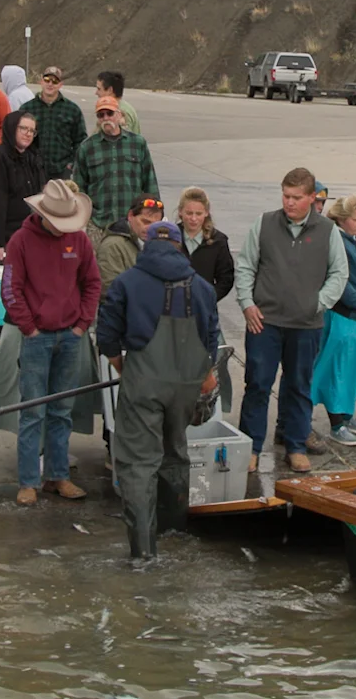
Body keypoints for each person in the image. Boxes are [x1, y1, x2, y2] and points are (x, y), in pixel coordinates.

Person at [95, 220, 219, 563]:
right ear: (180, 246)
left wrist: (123, 367)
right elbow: (212, 337)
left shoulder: (127, 282)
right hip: (186, 388)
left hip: (143, 384)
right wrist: (206, 374)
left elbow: (107, 334)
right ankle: (175, 533)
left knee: (138, 463)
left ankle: (144, 551)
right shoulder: (202, 287)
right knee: (175, 452)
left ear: (146, 245)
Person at [235, 168, 347, 473]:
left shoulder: (328, 231)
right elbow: (245, 266)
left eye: (297, 197)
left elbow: (339, 273)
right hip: (265, 323)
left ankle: (295, 445)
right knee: (257, 384)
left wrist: (318, 304)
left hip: (306, 325)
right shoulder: (264, 224)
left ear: (312, 198)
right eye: (285, 195)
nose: (289, 202)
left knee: (299, 386)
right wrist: (247, 304)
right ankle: (252, 446)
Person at [1, 179, 102, 506]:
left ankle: (57, 476)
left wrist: (82, 324)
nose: (64, 230)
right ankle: (28, 480)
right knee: (32, 410)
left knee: (62, 411)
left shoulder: (80, 241)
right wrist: (29, 327)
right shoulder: (20, 242)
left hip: (70, 335)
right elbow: (10, 290)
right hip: (37, 338)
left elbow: (92, 282)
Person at [310, 194, 356, 446]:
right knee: (338, 373)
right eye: (355, 219)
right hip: (345, 318)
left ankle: (348, 414)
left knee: (353, 373)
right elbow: (339, 281)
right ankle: (336, 424)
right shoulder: (335, 241)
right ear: (342, 219)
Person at [0, 110, 48, 343]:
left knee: (29, 289)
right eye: (23, 129)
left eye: (32, 130)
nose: (28, 134)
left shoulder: (33, 158)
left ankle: (23, 338)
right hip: (6, 235)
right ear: (11, 129)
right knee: (6, 291)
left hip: (32, 234)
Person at [70, 96, 159, 234]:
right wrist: (88, 216)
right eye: (101, 115)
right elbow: (79, 188)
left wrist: (154, 215)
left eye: (110, 113)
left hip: (131, 224)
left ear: (119, 114)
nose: (106, 118)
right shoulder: (87, 148)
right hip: (99, 224)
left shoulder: (138, 144)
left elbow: (150, 183)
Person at [21, 66, 85, 180]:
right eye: (47, 80)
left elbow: (80, 141)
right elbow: (17, 137)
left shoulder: (72, 110)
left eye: (55, 81)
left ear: (60, 84)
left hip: (61, 171)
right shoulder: (27, 108)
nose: (50, 84)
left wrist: (71, 165)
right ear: (41, 81)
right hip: (32, 170)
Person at [176, 186, 235, 302]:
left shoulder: (218, 241)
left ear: (206, 213)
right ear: (180, 212)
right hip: (173, 307)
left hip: (204, 308)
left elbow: (226, 278)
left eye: (198, 214)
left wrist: (209, 298)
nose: (193, 218)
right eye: (189, 213)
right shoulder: (170, 239)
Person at [99, 197, 165, 292]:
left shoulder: (161, 245)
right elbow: (109, 289)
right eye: (145, 222)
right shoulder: (113, 246)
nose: (150, 228)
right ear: (130, 216)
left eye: (156, 225)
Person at [95, 70, 140, 135]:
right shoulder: (124, 107)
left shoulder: (122, 111)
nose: (96, 93)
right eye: (100, 115)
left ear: (110, 90)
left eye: (99, 89)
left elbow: (125, 141)